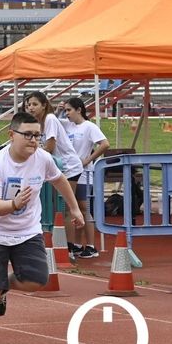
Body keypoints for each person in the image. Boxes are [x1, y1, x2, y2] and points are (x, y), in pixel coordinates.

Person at [0, 112, 84, 344]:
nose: (34, 140)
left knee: (36, 280)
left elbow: (60, 179)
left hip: (27, 231)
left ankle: (4, 287)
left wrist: (74, 208)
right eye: (28, 135)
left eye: (38, 135)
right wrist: (13, 205)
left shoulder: (43, 158)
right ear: (12, 135)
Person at [25, 91, 84, 258]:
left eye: (35, 104)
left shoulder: (50, 119)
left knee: (64, 208)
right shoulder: (38, 122)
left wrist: (30, 156)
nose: (31, 107)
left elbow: (50, 146)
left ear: (44, 105)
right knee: (56, 207)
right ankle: (59, 244)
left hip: (69, 166)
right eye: (29, 104)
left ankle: (69, 248)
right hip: (57, 167)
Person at [60, 98, 110, 259]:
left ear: (79, 110)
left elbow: (104, 144)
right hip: (70, 172)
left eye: (69, 110)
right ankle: (75, 243)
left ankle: (90, 245)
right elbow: (50, 122)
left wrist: (88, 159)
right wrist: (57, 109)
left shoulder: (89, 127)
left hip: (83, 172)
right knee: (71, 208)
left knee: (83, 207)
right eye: (65, 110)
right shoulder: (67, 125)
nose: (67, 113)